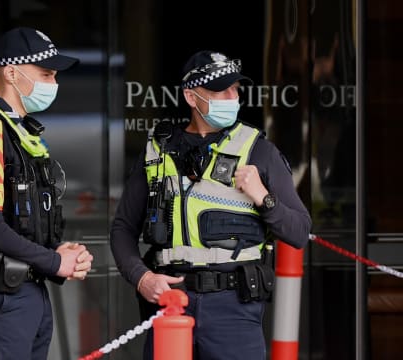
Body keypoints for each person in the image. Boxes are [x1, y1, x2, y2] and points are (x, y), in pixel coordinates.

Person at [110, 50, 312, 359]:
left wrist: (263, 197)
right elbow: (123, 228)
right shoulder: (157, 151)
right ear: (192, 97)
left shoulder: (259, 151)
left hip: (233, 307)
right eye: (221, 90)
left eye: (235, 89)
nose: (232, 96)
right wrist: (142, 277)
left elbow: (299, 231)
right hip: (171, 302)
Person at [0, 27, 94, 360]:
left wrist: (57, 250)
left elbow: (16, 218)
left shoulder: (17, 129)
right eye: (46, 73)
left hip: (28, 288)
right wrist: (55, 261)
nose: (53, 83)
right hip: (2, 294)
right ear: (12, 72)